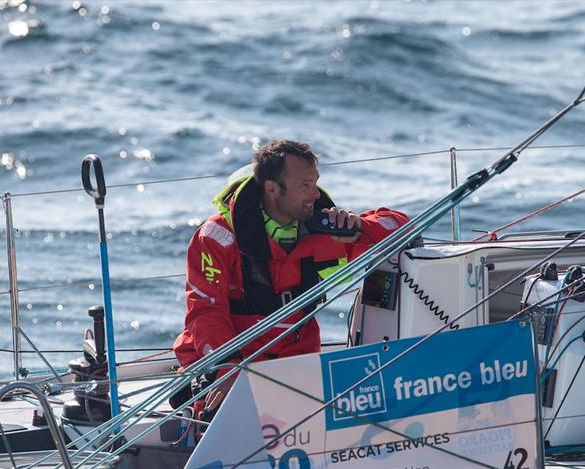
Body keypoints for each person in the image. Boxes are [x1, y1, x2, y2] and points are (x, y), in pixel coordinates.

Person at [172, 140, 408, 418]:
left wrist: (360, 227)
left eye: (316, 182)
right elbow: (205, 313)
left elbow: (402, 227)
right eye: (305, 185)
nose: (315, 193)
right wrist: (227, 368)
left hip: (296, 367)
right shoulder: (217, 238)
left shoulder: (322, 228)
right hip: (230, 362)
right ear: (272, 188)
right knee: (224, 417)